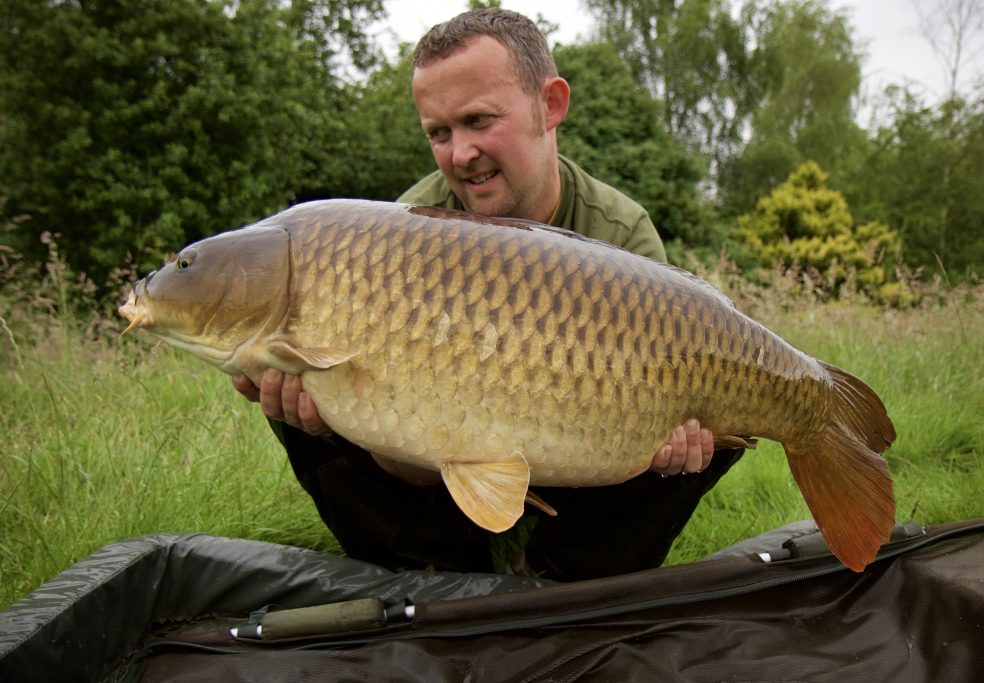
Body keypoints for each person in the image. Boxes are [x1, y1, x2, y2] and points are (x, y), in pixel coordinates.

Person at [233, 8, 743, 581]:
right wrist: (342, 422)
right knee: (295, 384)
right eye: (439, 133)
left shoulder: (619, 234)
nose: (460, 154)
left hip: (582, 454)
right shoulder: (404, 233)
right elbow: (414, 423)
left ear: (550, 105)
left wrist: (670, 446)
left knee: (715, 431)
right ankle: (430, 572)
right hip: (442, 451)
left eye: (478, 121)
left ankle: (559, 575)